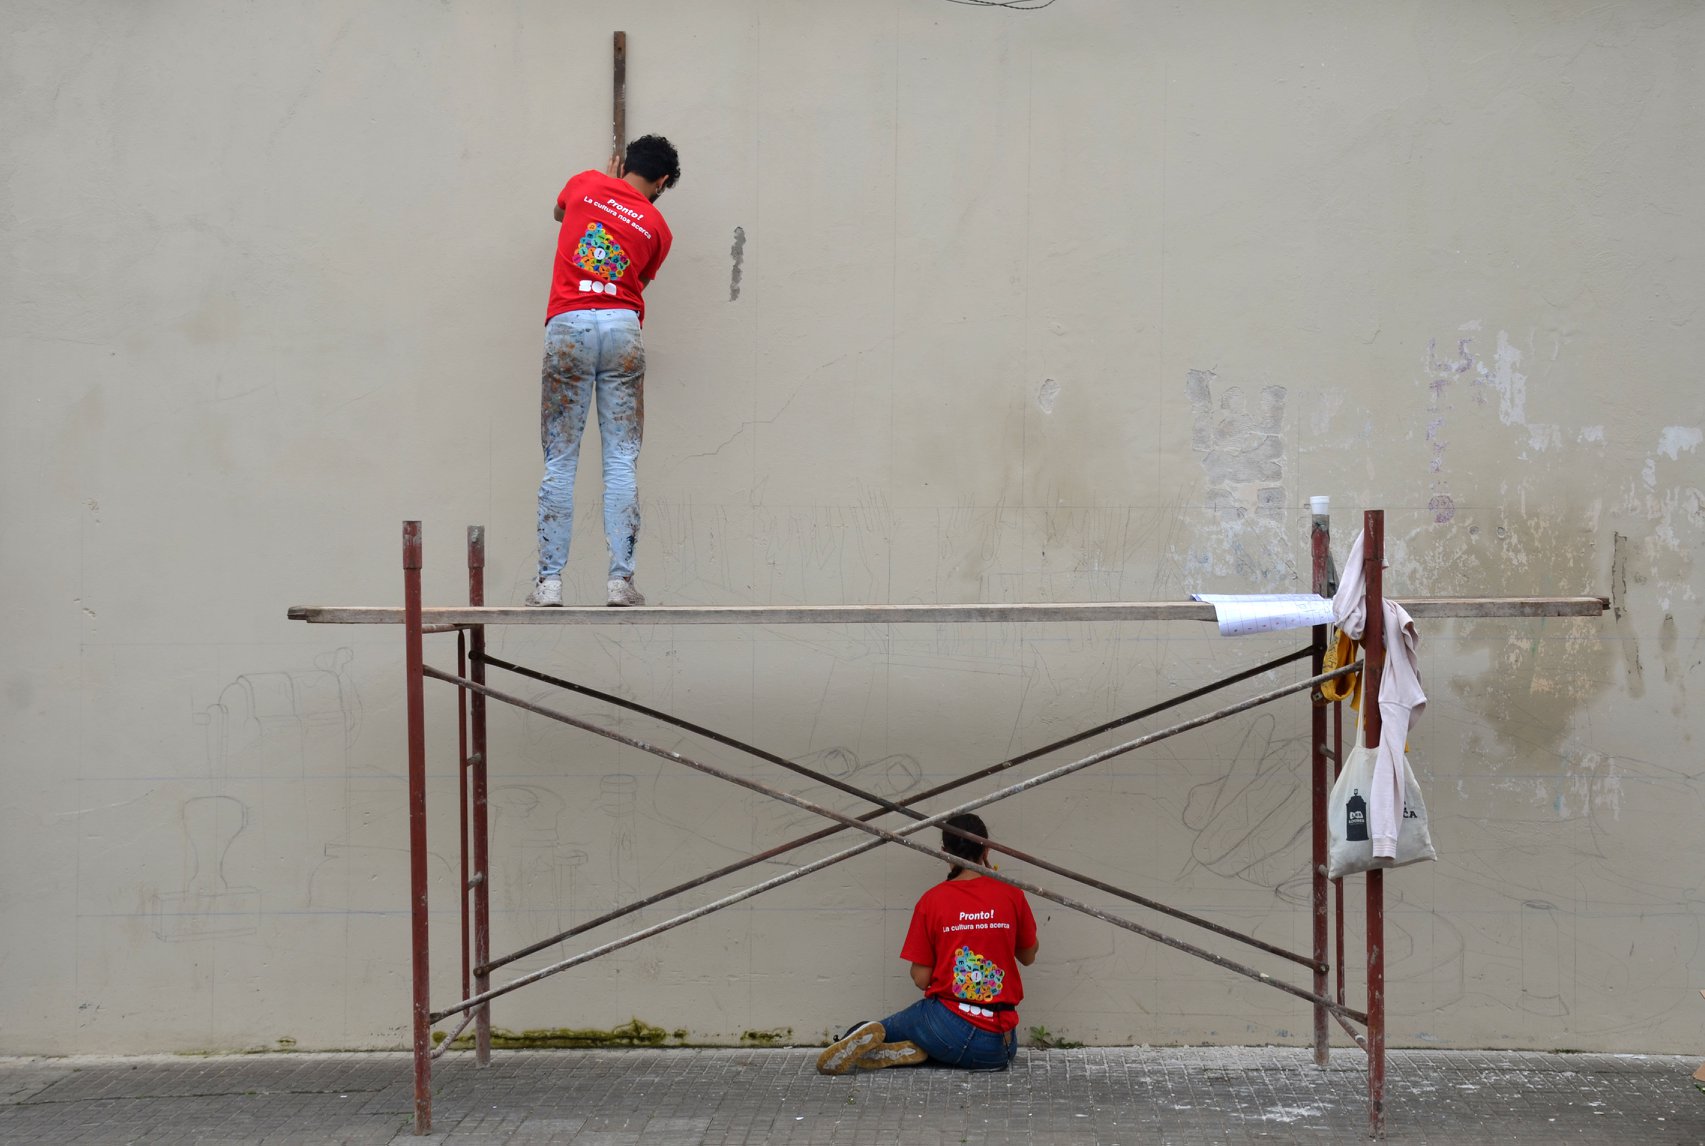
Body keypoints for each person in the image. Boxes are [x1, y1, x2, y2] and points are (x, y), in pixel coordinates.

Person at [526, 134, 680, 608]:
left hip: (569, 324)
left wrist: (603, 192)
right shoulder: (658, 227)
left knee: (560, 462)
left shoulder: (584, 183)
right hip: (621, 328)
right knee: (619, 461)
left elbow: (560, 214)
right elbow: (636, 281)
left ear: (622, 164)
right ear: (663, 181)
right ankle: (620, 583)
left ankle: (549, 585)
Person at [817, 813, 1039, 1074]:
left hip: (951, 1026)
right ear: (987, 848)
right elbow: (1028, 955)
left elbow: (921, 978)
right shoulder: (1011, 893)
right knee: (937, 1027)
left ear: (944, 853)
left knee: (894, 1023)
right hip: (1001, 1047)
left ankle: (861, 1037)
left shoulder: (932, 901)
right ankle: (922, 1048)